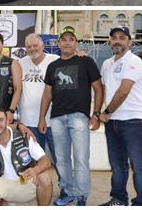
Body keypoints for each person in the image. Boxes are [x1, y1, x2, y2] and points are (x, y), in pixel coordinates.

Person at [39, 26, 104, 207]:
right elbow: (47, 95)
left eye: (71, 39)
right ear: (58, 43)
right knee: (61, 158)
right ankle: (67, 192)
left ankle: (82, 195)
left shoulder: (86, 62)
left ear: (76, 43)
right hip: (57, 118)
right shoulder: (53, 66)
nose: (67, 43)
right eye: (64, 40)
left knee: (81, 157)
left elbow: (98, 88)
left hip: (79, 117)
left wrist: (96, 114)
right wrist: (41, 118)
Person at [98, 25, 142, 207]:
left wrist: (106, 112)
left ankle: (140, 203)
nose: (117, 41)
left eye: (122, 37)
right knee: (117, 165)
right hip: (113, 122)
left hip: (133, 120)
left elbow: (123, 91)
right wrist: (99, 114)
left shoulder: (134, 61)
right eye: (114, 37)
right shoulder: (106, 64)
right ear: (110, 41)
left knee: (139, 165)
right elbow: (102, 91)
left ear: (130, 42)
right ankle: (119, 199)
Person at [0, 108, 53, 206]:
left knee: (44, 176)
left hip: (25, 181)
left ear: (7, 121)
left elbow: (45, 161)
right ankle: (5, 203)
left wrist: (36, 170)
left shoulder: (24, 136)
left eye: (0, 120)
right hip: (3, 183)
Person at [16, 34, 61, 187]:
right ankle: (39, 187)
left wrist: (81, 53)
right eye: (29, 47)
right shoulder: (20, 63)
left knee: (59, 157)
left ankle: (66, 189)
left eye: (35, 45)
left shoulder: (54, 60)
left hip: (52, 120)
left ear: (43, 46)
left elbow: (73, 59)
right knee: (34, 160)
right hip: (28, 121)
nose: (32, 49)